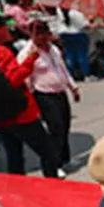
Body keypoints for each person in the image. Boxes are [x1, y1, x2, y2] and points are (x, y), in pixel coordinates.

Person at [0, 14, 61, 178]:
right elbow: (14, 79)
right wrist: (30, 59)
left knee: (14, 155)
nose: (8, 30)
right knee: (48, 152)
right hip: (20, 113)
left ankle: (20, 192)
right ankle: (52, 185)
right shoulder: (1, 52)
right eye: (4, 27)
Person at [19, 20, 80, 169]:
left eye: (45, 33)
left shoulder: (53, 49)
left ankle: (65, 158)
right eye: (38, 34)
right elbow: (25, 78)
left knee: (65, 126)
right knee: (55, 129)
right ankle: (54, 164)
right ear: (32, 35)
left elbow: (62, 69)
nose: (43, 38)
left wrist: (73, 87)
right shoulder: (27, 53)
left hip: (60, 91)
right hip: (43, 94)